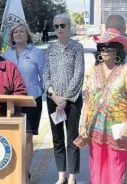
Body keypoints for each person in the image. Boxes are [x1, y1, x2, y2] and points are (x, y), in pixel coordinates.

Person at [79, 28, 127, 184]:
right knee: (96, 172)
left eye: (109, 46)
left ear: (118, 50)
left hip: (117, 131)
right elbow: (87, 101)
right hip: (95, 130)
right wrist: (83, 125)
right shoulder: (92, 72)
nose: (105, 50)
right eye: (101, 47)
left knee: (115, 173)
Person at [44, 13, 85, 184]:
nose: (59, 29)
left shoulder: (77, 47)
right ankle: (61, 175)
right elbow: (45, 74)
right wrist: (54, 96)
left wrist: (65, 99)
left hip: (72, 101)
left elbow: (79, 74)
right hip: (53, 100)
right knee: (57, 138)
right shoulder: (50, 49)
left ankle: (73, 176)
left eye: (62, 26)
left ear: (69, 27)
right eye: (56, 26)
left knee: (72, 138)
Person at [3, 23, 45, 183]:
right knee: (14, 138)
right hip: (11, 101)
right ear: (11, 36)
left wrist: (37, 91)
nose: (18, 34)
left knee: (27, 137)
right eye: (15, 32)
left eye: (21, 31)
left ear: (27, 35)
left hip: (31, 101)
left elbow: (44, 76)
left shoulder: (37, 53)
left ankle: (24, 174)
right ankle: (13, 171)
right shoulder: (6, 55)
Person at [105, 15, 127, 184]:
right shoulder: (106, 48)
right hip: (110, 113)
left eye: (113, 31)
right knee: (113, 152)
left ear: (123, 30)